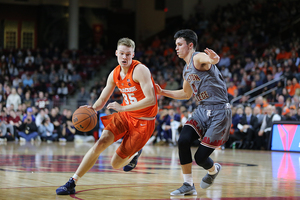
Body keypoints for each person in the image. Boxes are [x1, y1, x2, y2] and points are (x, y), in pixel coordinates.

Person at [56, 37, 158, 195]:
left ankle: (136, 153)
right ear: (116, 53)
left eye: (128, 54)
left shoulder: (140, 70)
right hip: (125, 116)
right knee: (101, 142)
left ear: (133, 55)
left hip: (143, 122)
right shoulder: (114, 74)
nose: (124, 57)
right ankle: (72, 181)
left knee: (116, 164)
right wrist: (93, 108)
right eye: (122, 53)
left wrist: (123, 107)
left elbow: (151, 99)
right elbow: (103, 98)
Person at [155, 29, 232, 196]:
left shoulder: (197, 58)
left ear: (190, 46)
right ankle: (188, 184)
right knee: (183, 140)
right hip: (202, 109)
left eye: (179, 44)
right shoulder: (186, 70)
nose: (176, 48)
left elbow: (208, 60)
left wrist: (213, 59)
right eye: (175, 45)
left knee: (200, 158)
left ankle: (213, 170)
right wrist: (162, 92)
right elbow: (186, 94)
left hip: (219, 111)